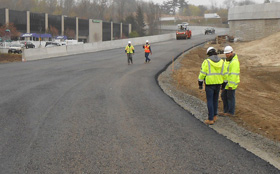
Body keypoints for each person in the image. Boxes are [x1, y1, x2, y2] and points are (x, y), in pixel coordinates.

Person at [198, 47, 227, 125]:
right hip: (218, 84)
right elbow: (225, 73)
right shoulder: (222, 61)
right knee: (215, 100)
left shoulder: (206, 62)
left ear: (208, 54)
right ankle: (214, 116)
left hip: (209, 84)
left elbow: (202, 73)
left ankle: (210, 119)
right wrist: (224, 84)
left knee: (210, 101)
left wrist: (200, 83)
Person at [220, 46, 240, 117]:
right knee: (224, 96)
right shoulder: (227, 60)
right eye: (226, 53)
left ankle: (231, 112)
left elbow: (233, 75)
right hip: (226, 83)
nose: (227, 55)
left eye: (228, 53)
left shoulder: (234, 62)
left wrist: (231, 85)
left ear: (232, 52)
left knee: (230, 97)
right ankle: (226, 111)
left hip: (231, 84)